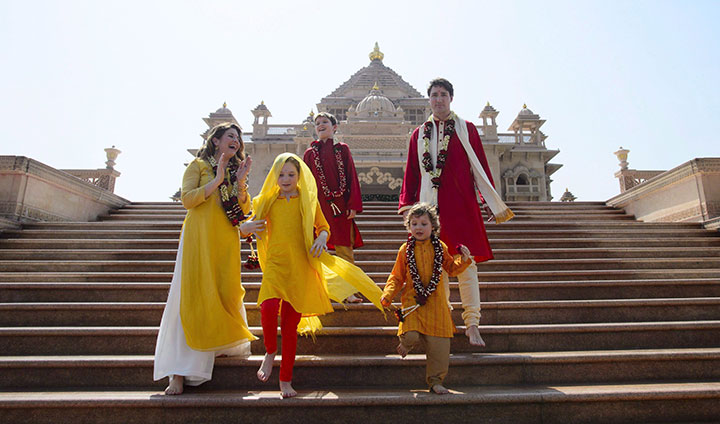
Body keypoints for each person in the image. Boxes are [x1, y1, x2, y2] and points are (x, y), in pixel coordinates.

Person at [246, 153, 384, 398]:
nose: (286, 179)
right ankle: (269, 352)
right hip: (276, 265)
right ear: (274, 176)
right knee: (267, 309)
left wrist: (321, 237)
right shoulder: (265, 201)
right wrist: (246, 228)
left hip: (301, 267)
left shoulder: (308, 200)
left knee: (289, 328)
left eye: (291, 174)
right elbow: (249, 226)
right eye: (281, 174)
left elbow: (324, 227)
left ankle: (285, 380)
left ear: (299, 176)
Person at [398, 78, 514, 347]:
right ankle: (444, 321)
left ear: (451, 99)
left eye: (443, 95)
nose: (438, 99)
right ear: (429, 100)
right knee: (435, 268)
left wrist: (488, 200)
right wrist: (407, 203)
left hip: (462, 206)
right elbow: (412, 172)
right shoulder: (418, 134)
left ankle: (472, 324)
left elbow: (480, 167)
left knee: (467, 267)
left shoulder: (468, 130)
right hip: (431, 210)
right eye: (434, 95)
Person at [154, 122, 265, 395]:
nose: (236, 141)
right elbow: (187, 200)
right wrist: (215, 181)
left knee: (224, 292)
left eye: (238, 138)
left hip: (225, 239)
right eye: (230, 136)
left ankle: (217, 346)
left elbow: (244, 208)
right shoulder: (198, 166)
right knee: (193, 296)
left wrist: (240, 181)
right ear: (215, 141)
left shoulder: (233, 171)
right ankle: (177, 372)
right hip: (199, 238)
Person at [380, 202, 472, 394]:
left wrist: (463, 259)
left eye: (423, 224)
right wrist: (387, 294)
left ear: (433, 227)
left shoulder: (440, 247)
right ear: (409, 226)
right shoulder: (405, 249)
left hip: (436, 305)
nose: (419, 228)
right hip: (413, 303)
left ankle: (436, 382)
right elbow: (396, 277)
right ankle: (405, 344)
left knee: (440, 349)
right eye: (414, 224)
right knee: (411, 335)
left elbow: (452, 269)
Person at [303, 112, 365, 303]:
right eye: (318, 123)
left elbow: (351, 176)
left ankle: (349, 293)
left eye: (325, 122)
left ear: (334, 127)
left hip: (340, 207)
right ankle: (324, 291)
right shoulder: (309, 153)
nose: (321, 125)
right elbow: (304, 182)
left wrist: (353, 205)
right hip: (318, 209)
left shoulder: (343, 150)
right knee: (318, 251)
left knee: (344, 251)